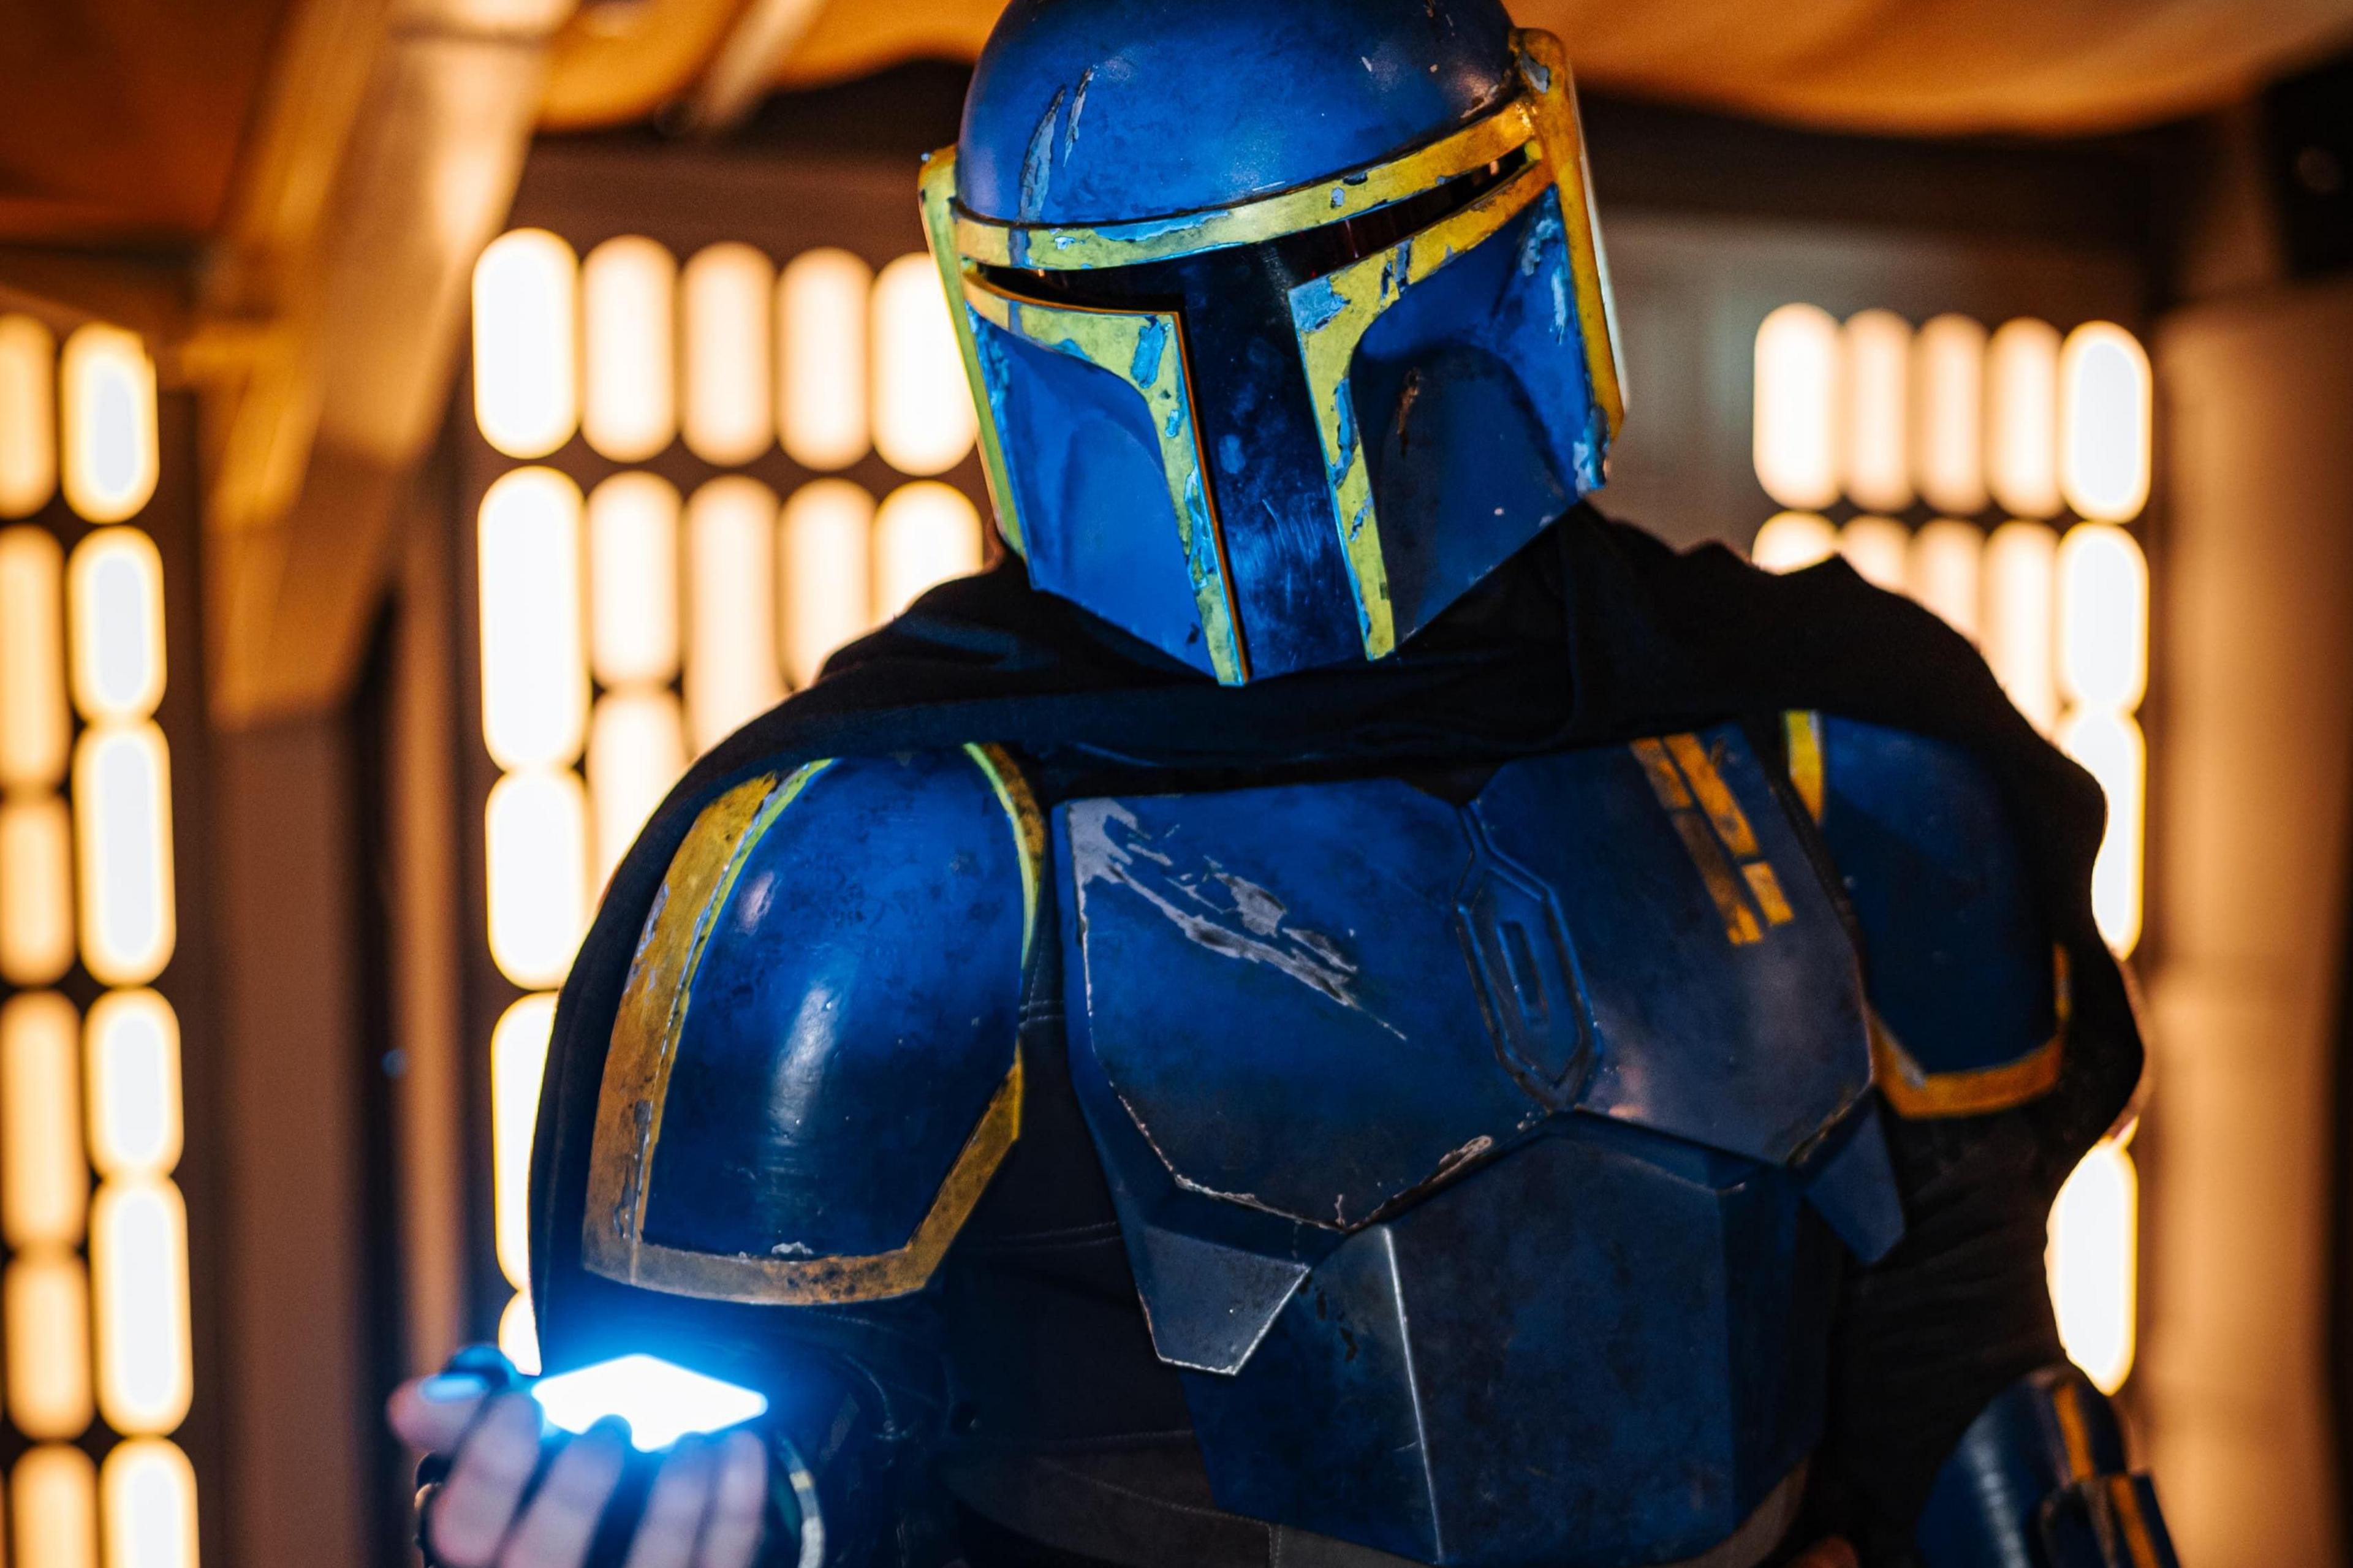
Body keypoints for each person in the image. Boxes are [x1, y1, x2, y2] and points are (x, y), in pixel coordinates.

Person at [392, 1, 2181, 1563]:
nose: (1262, 397)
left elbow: (1969, 1367)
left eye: (1333, 266)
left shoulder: (1839, 744)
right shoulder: (876, 873)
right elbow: (772, 1461)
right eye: (1166, 302)